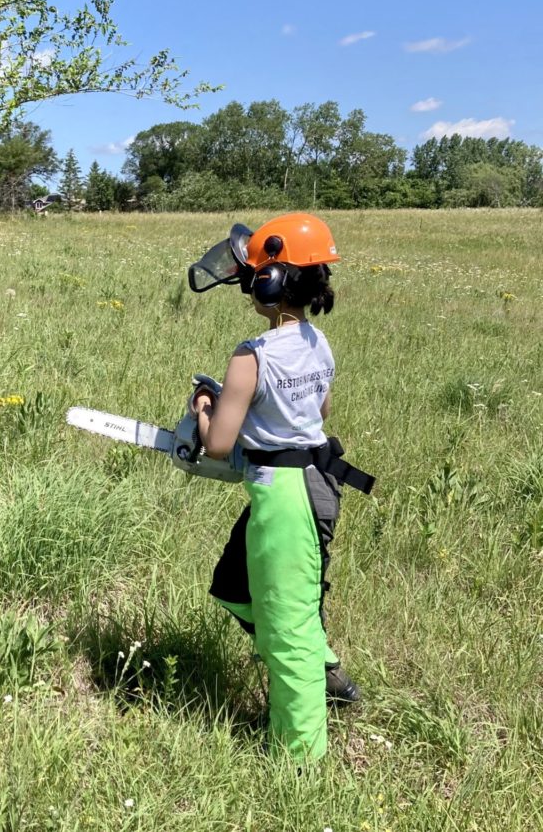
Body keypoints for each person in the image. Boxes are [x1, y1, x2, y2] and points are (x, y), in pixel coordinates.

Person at [186, 212, 372, 763]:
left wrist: (205, 407)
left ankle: (300, 758)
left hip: (283, 500)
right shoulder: (319, 341)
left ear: (272, 280)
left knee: (287, 624)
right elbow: (319, 409)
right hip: (317, 482)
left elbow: (218, 445)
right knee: (233, 586)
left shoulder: (252, 356)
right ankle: (326, 670)